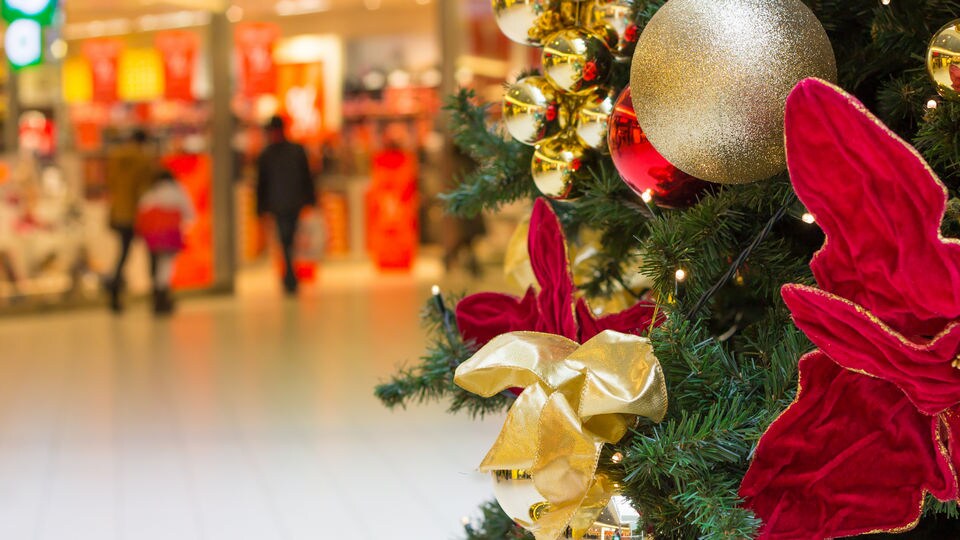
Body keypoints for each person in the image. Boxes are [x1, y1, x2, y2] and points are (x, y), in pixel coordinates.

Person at [256, 116, 316, 295]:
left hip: (282, 204)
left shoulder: (269, 154)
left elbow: (263, 184)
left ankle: (290, 274)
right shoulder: (293, 151)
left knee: (287, 239)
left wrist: (261, 208)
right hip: (289, 203)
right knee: (287, 239)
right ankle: (290, 274)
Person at [105, 129, 155, 312]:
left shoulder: (115, 157)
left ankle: (114, 290)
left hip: (118, 213)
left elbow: (111, 183)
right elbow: (145, 188)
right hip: (137, 213)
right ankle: (157, 293)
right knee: (152, 254)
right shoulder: (143, 159)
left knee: (123, 254)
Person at [135, 169, 195, 315]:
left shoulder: (150, 194)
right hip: (170, 235)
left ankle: (157, 297)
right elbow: (190, 213)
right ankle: (163, 297)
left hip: (152, 236)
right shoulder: (178, 192)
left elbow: (141, 211)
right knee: (166, 267)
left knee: (155, 267)